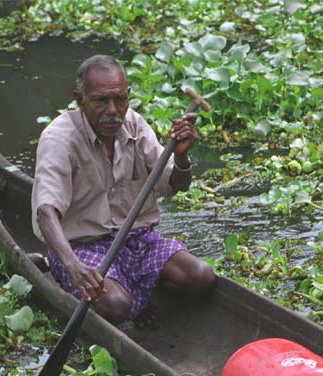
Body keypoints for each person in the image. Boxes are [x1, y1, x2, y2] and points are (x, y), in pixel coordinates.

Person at [31, 55, 215, 325]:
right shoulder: (59, 139)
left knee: (201, 277)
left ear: (128, 96)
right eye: (100, 101)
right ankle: (60, 272)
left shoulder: (135, 125)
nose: (113, 111)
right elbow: (45, 212)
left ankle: (139, 287)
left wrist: (182, 157)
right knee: (117, 307)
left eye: (120, 100)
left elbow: (175, 186)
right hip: (81, 247)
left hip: (134, 238)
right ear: (80, 100)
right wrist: (72, 266)